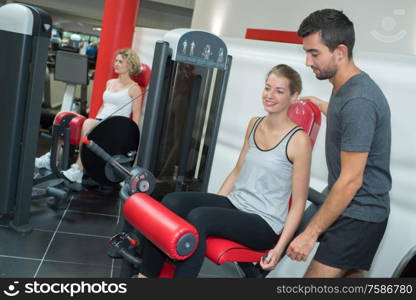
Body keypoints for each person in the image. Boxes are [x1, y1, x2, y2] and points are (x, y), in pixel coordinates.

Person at [135, 64, 312, 278]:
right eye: (267, 88)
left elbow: (299, 203)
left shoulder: (298, 140)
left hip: (264, 223)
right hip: (237, 204)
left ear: (294, 96)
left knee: (200, 218)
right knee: (172, 202)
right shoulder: (254, 124)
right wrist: (215, 203)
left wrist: (279, 248)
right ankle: (146, 276)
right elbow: (238, 171)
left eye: (279, 91)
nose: (269, 95)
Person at [286, 9, 391, 278]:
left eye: (315, 53)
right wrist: (320, 105)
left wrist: (310, 235)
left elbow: (351, 180)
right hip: (355, 209)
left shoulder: (359, 101)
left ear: (340, 51)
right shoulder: (345, 88)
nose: (308, 62)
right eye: (306, 53)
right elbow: (347, 118)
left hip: (359, 214)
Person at [35, 48, 143, 183]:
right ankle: (52, 157)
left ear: (130, 65)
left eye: (120, 61)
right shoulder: (110, 82)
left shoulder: (134, 88)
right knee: (64, 116)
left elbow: (137, 116)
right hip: (99, 121)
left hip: (115, 127)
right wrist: (95, 120)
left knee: (88, 123)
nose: (116, 63)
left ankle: (78, 171)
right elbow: (104, 106)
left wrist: (130, 141)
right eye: (116, 60)